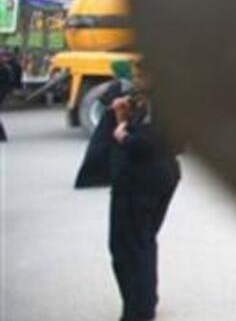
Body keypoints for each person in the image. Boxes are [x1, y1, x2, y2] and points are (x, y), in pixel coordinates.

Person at [78, 60, 182, 321]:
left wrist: (124, 135)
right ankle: (145, 301)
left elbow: (151, 141)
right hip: (162, 176)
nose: (135, 80)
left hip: (140, 181)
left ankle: (139, 310)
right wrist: (123, 116)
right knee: (142, 242)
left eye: (139, 75)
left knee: (128, 247)